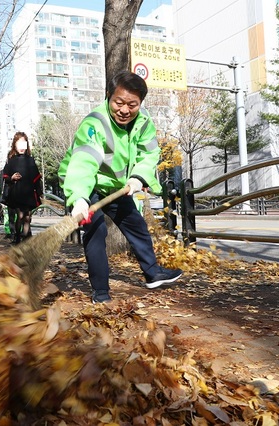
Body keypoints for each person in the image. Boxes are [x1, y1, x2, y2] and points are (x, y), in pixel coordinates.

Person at [58, 70, 182, 304]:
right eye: (119, 102)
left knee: (135, 224)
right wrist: (80, 199)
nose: (125, 110)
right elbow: (84, 162)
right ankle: (101, 292)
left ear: (140, 103)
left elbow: (150, 152)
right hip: (84, 183)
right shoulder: (94, 123)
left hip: (114, 185)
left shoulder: (144, 121)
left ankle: (152, 273)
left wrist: (138, 177)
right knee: (96, 232)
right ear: (108, 96)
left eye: (132, 104)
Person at [2, 132, 43, 244]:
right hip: (16, 192)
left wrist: (39, 192)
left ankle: (25, 238)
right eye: (19, 143)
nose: (21, 146)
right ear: (15, 144)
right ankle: (17, 238)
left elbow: (36, 177)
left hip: (29, 192)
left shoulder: (30, 160)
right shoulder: (11, 159)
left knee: (27, 217)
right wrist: (12, 177)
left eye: (23, 143)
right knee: (20, 215)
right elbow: (5, 175)